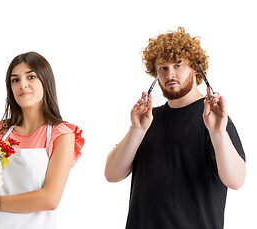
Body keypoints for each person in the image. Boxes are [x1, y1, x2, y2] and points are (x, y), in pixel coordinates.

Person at [103, 27, 246, 228]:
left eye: (178, 65)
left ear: (196, 69)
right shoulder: (147, 120)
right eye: (163, 68)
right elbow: (112, 174)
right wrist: (136, 130)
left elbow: (236, 180)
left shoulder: (214, 120)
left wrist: (218, 133)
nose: (170, 74)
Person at [0, 51, 85, 228]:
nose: (22, 85)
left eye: (31, 77)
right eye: (15, 80)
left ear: (46, 81)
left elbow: (50, 198)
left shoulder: (61, 135)